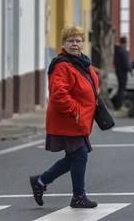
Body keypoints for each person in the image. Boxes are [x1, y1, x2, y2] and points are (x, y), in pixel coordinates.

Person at [29, 25, 99, 209]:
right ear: (64, 43)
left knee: (74, 157)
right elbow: (58, 94)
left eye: (78, 40)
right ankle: (78, 196)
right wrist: (75, 110)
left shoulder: (82, 62)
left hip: (79, 120)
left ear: (83, 43)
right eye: (70, 41)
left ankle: (41, 181)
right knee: (80, 155)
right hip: (69, 119)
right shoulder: (61, 65)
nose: (75, 44)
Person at [113, 36, 132, 110]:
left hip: (118, 71)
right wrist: (129, 69)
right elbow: (126, 62)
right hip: (123, 72)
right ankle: (119, 105)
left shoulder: (117, 50)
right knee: (122, 89)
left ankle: (118, 104)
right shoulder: (123, 51)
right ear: (125, 42)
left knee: (120, 88)